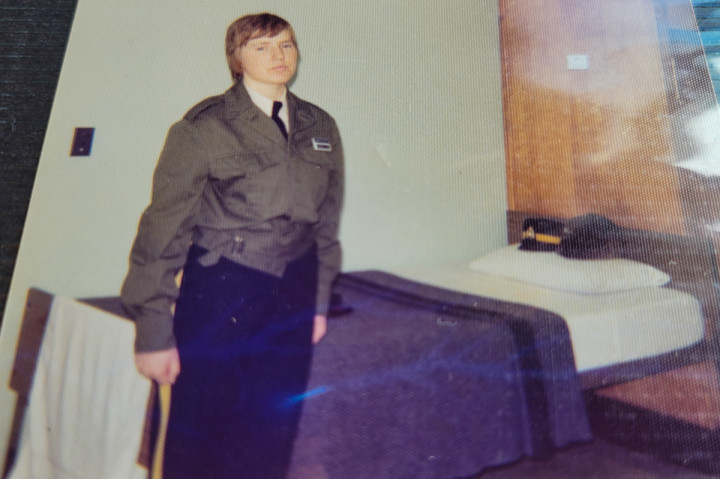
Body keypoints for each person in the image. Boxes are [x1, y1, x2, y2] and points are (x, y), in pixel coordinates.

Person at [120, 12, 344, 478]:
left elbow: (325, 225)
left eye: (286, 44)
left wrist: (319, 303)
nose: (278, 56)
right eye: (261, 47)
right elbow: (163, 230)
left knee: (272, 429)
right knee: (200, 432)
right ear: (236, 59)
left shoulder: (320, 126)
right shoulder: (205, 127)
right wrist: (153, 330)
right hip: (224, 288)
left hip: (295, 291)